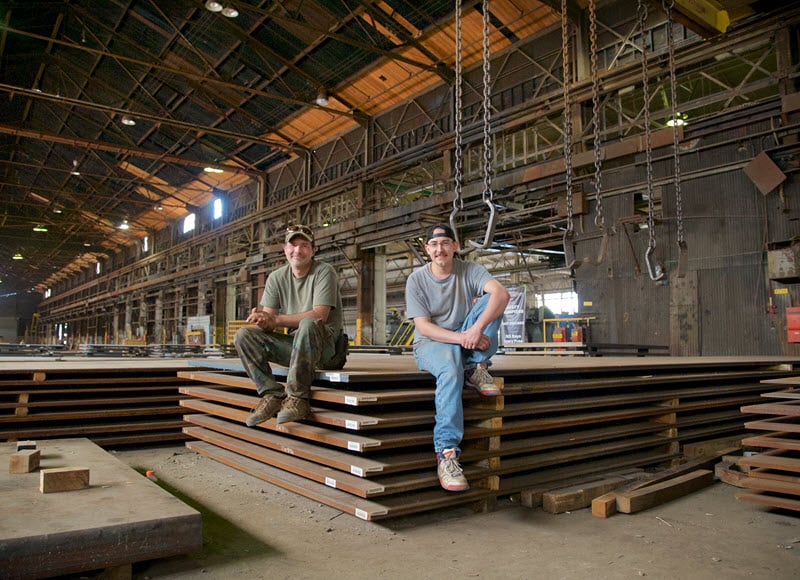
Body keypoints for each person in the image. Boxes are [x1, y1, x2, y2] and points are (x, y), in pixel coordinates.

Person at [405, 223, 510, 492]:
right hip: (431, 343)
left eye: (445, 243)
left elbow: (502, 294)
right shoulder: (416, 280)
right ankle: (446, 453)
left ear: (455, 246)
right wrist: (464, 338)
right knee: (451, 370)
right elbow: (424, 326)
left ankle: (475, 364)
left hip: (464, 337)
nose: (440, 249)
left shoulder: (469, 270)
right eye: (434, 245)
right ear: (427, 249)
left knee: (492, 300)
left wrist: (474, 330)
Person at [234, 224, 347, 426]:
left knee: (309, 324)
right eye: (293, 245)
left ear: (313, 250)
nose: (298, 250)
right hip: (298, 349)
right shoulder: (277, 277)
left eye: (304, 245)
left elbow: (320, 315)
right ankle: (272, 394)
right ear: (285, 249)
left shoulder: (324, 272)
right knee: (244, 335)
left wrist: (276, 320)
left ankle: (297, 398)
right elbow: (269, 322)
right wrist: (262, 319)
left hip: (327, 351)